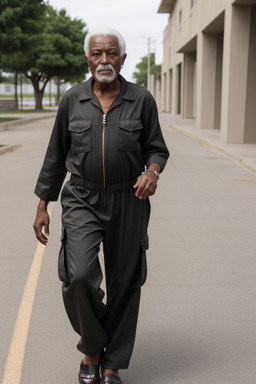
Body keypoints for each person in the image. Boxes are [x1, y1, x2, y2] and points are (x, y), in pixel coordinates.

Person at [33, 27, 169, 384]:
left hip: (129, 198)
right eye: (97, 54)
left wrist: (152, 172)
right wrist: (43, 205)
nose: (104, 60)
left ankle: (112, 364)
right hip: (82, 196)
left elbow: (156, 148)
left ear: (123, 59)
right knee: (78, 276)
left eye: (111, 53)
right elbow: (55, 156)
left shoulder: (141, 100)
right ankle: (92, 347)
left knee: (125, 281)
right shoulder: (72, 100)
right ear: (87, 59)